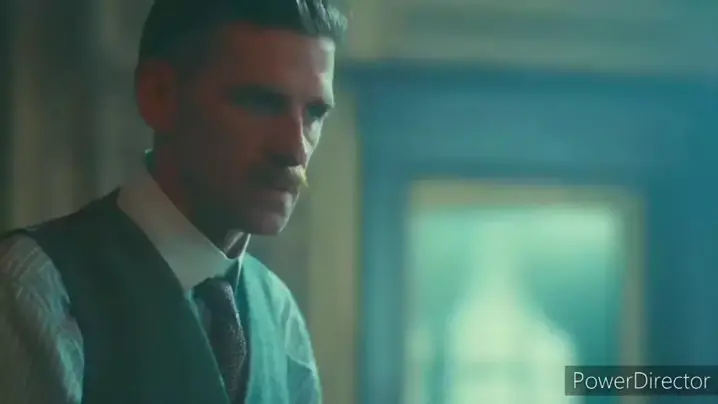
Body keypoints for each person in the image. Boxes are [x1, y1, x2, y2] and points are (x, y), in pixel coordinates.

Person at [0, 0, 345, 403]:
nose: (295, 149)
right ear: (159, 95)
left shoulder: (280, 316)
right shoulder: (36, 289)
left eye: (315, 113)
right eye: (260, 102)